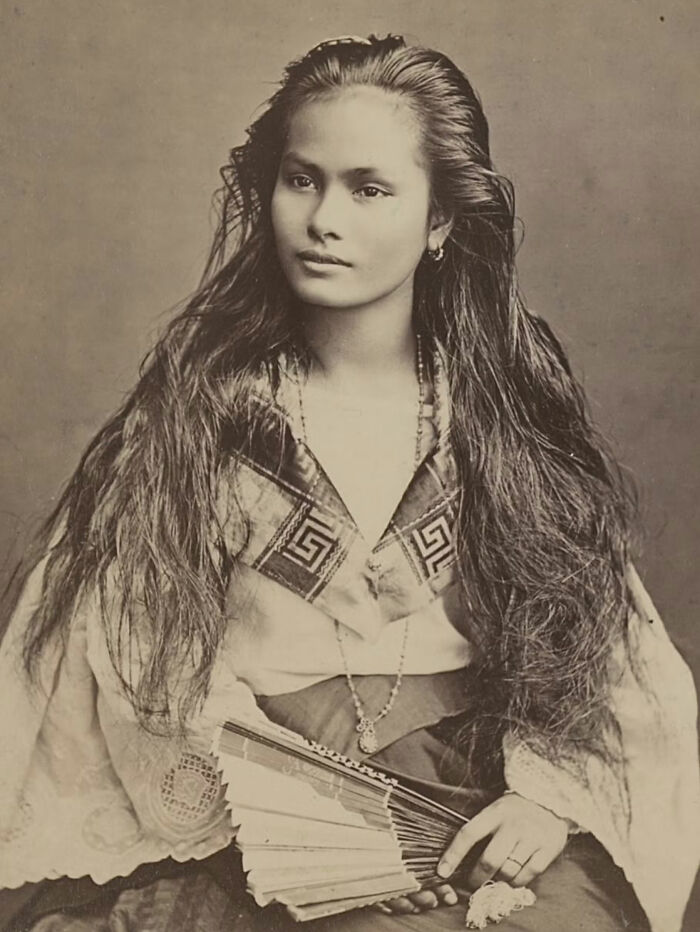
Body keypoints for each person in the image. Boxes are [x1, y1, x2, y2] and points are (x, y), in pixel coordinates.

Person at [0, 33, 698, 932]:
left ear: (439, 220)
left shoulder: (494, 427)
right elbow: (126, 657)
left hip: (471, 786)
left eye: (369, 189)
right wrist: (307, 829)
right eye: (303, 180)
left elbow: (609, 661)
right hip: (251, 790)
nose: (325, 219)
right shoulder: (202, 419)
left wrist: (549, 801)